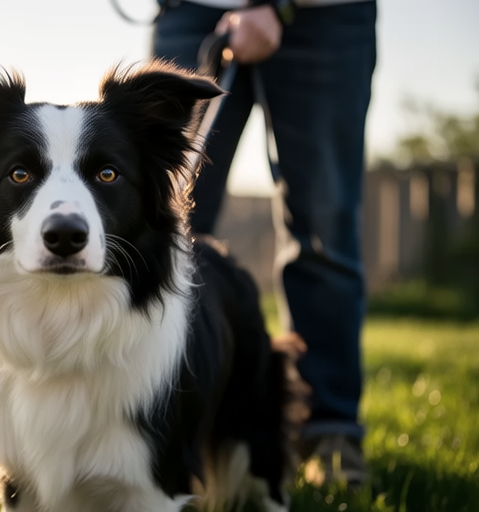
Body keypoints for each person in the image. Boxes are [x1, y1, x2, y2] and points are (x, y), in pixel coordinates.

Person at [152, 0, 376, 485]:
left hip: (324, 15)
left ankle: (328, 432)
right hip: (193, 10)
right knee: (162, 228)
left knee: (323, 228)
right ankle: (155, 423)